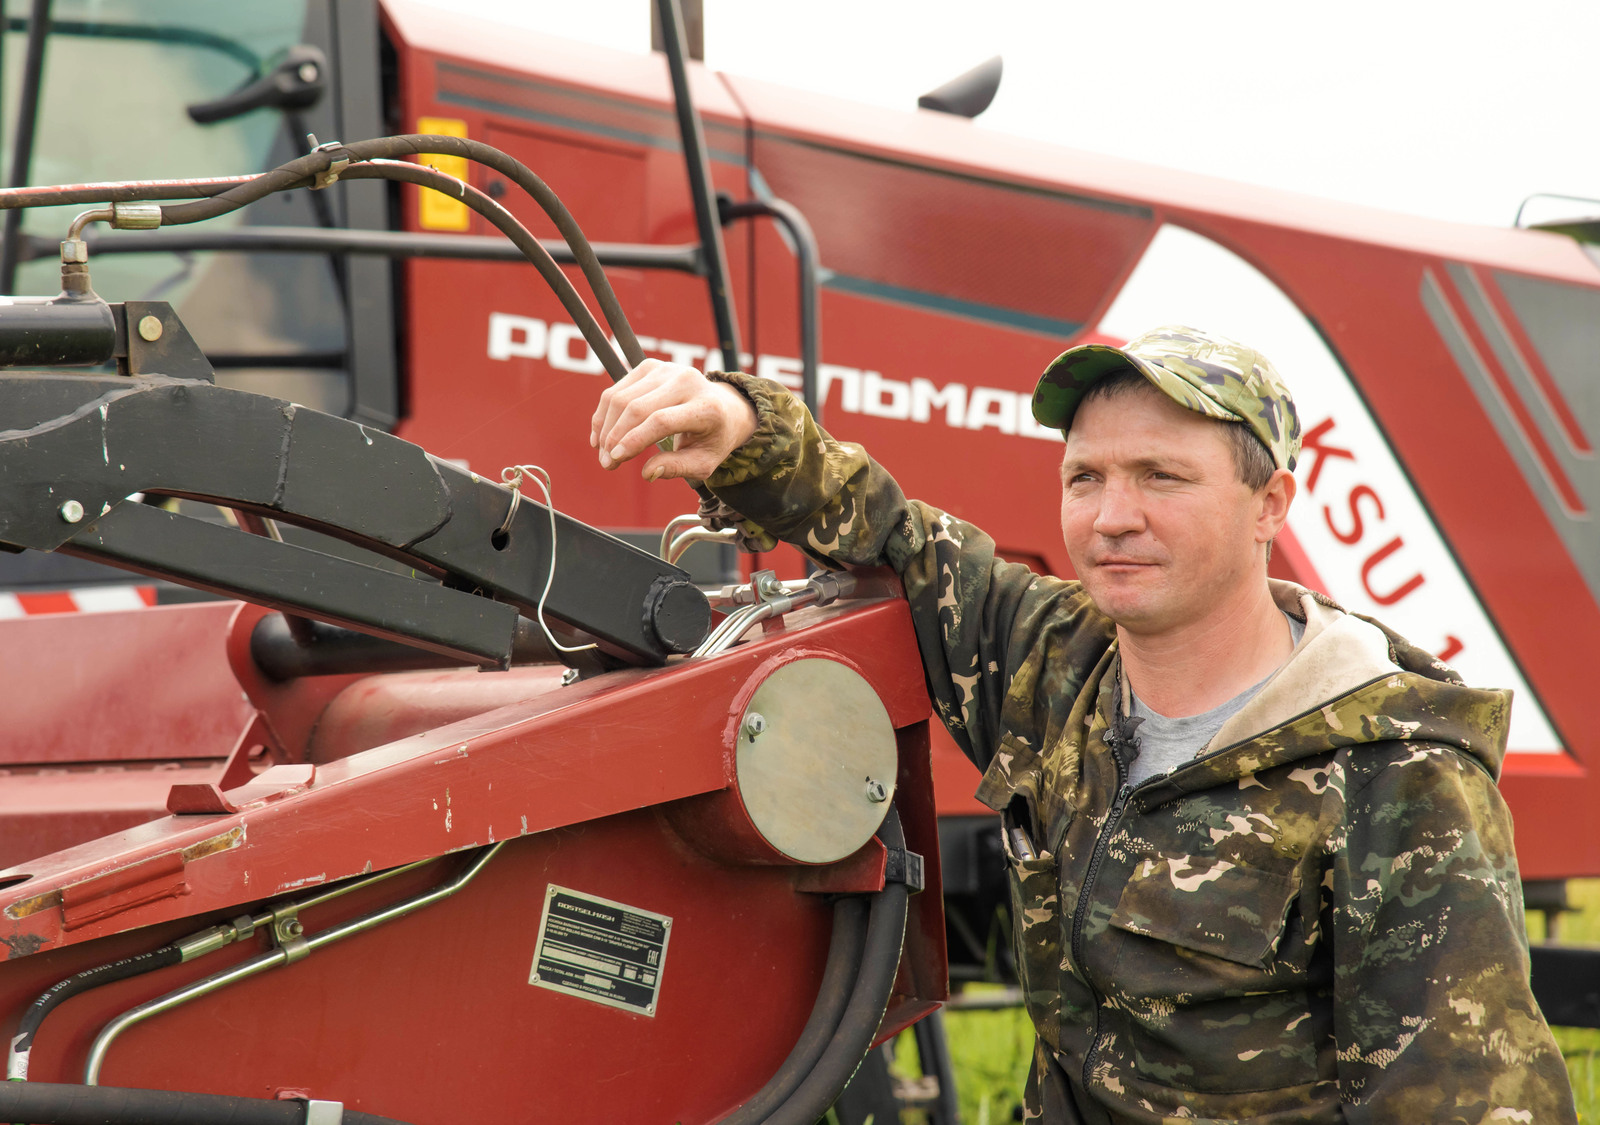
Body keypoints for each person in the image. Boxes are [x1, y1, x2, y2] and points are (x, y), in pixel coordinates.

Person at [591, 326, 1577, 1123]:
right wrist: (738, 426)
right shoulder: (1055, 663)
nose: (1112, 516)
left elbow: (1467, 1104)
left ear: (1268, 503)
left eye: (1162, 477)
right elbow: (893, 533)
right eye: (1085, 477)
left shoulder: (1393, 773)